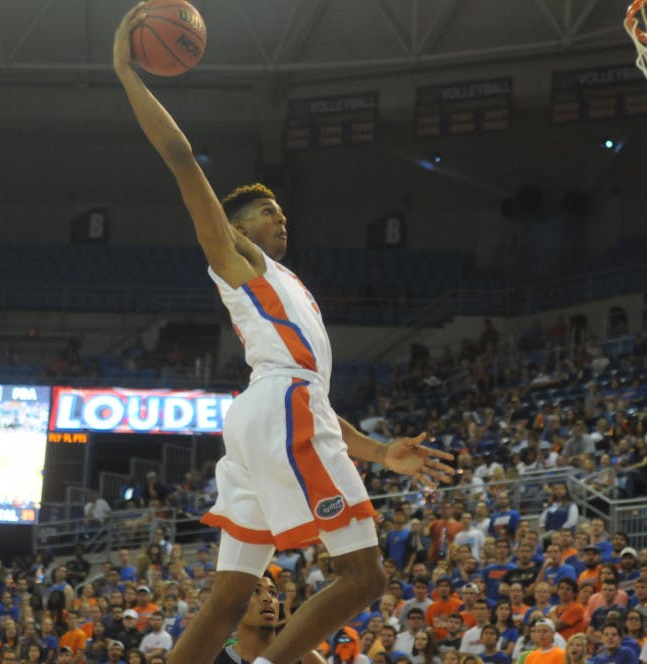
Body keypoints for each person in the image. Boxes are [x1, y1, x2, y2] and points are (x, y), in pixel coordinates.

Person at [112, 11, 455, 664]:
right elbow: (183, 160)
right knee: (365, 577)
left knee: (227, 602)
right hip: (278, 409)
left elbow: (312, 404)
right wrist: (127, 71)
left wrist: (381, 455)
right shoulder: (237, 262)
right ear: (236, 227)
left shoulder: (288, 290)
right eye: (267, 211)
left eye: (281, 209)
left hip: (266, 413)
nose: (282, 216)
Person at [214, 575, 325, 664]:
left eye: (272, 593)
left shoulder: (305, 658)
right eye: (255, 591)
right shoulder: (214, 659)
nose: (267, 598)